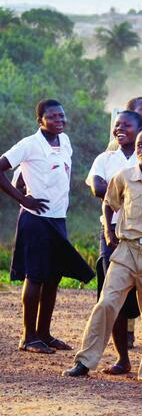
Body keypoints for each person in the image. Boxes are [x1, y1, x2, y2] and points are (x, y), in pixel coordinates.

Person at [64, 128, 142, 387]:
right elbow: (108, 203)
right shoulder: (125, 177)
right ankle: (84, 361)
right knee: (107, 303)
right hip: (126, 250)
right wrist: (109, 231)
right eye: (140, 145)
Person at [1, 99, 95, 355]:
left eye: (62, 116)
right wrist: (23, 199)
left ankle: (44, 333)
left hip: (57, 219)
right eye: (52, 117)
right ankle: (28, 337)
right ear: (40, 120)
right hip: (35, 219)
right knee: (36, 276)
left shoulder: (65, 142)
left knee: (54, 276)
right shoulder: (29, 144)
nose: (59, 121)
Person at [85, 109, 142, 373]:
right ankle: (122, 357)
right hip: (111, 233)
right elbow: (97, 188)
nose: (120, 129)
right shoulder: (105, 157)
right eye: (117, 125)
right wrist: (131, 191)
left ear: (140, 129)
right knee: (112, 297)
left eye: (127, 125)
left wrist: (116, 190)